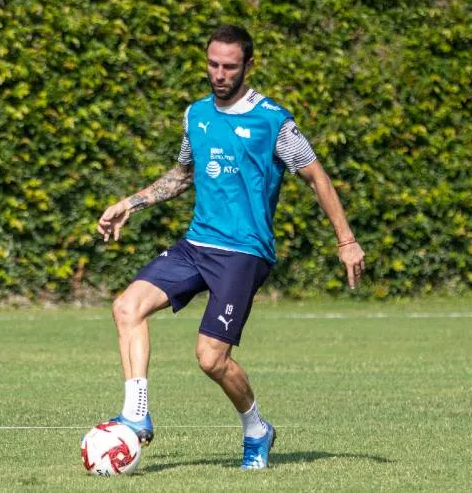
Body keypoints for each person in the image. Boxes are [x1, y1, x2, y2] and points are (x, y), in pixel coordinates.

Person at [96, 25, 365, 470]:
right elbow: (182, 175)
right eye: (213, 64)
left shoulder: (273, 120)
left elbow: (317, 177)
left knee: (211, 358)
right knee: (127, 306)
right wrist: (132, 202)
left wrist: (347, 241)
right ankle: (136, 414)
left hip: (244, 251)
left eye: (229, 66)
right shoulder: (196, 115)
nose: (219, 74)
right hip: (196, 244)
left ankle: (257, 429)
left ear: (247, 66)